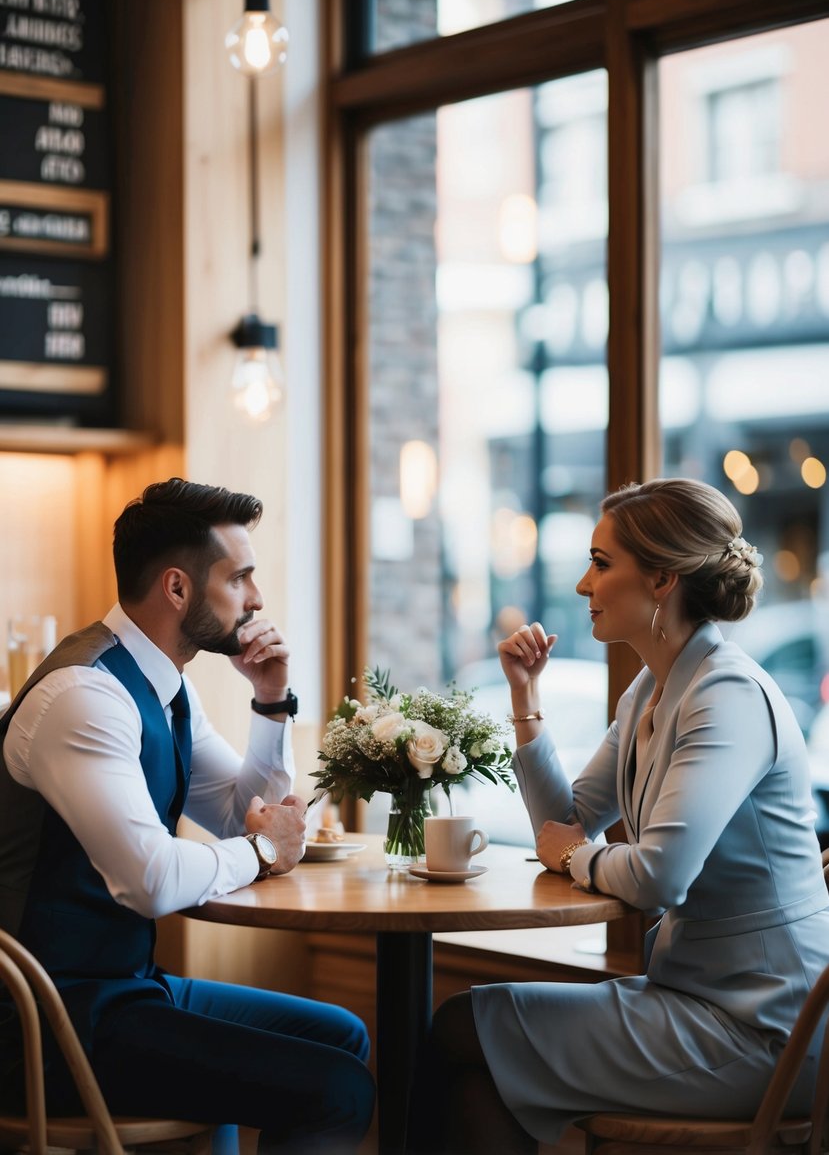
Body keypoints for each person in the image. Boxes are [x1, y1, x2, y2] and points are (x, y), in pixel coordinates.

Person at [413, 478, 829, 1154]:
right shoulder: (652, 688)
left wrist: (574, 857)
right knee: (471, 1072)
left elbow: (657, 876)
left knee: (461, 1027)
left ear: (662, 579)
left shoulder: (726, 695)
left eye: (601, 564)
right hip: (694, 999)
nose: (582, 585)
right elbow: (568, 818)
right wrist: (525, 700)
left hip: (768, 1030)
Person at [0, 478, 375, 1154]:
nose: (257, 599)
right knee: (334, 1088)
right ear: (177, 589)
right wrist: (264, 855)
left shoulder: (165, 688)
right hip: (45, 1020)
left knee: (341, 1036)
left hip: (122, 989)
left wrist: (271, 700)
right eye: (241, 578)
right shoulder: (85, 696)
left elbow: (239, 814)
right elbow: (149, 879)